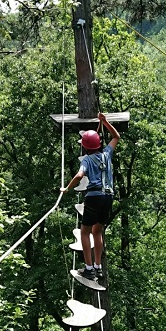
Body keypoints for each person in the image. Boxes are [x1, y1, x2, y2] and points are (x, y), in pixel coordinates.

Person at [61, 111, 120, 279]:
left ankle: (88, 268)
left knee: (84, 232)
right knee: (97, 231)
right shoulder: (107, 154)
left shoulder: (87, 160)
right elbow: (116, 137)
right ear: (99, 143)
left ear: (85, 147)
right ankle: (98, 267)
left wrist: (67, 189)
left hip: (94, 197)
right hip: (108, 196)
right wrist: (105, 122)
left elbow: (79, 175)